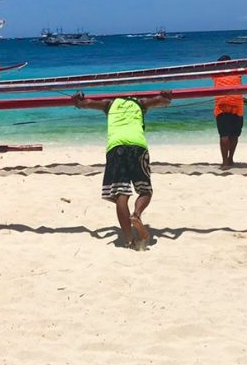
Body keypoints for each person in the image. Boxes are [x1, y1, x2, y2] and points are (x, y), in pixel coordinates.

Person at [72, 90, 173, 251]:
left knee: (121, 194)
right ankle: (137, 214)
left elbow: (85, 103)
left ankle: (128, 240)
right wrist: (166, 94)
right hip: (137, 146)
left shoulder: (109, 104)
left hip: (116, 147)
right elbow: (163, 100)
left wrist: (77, 98)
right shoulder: (140, 103)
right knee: (145, 191)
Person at [212, 55, 244, 170]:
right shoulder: (237, 71)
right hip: (236, 105)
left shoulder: (216, 72)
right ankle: (230, 159)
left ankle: (225, 162)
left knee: (224, 135)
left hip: (222, 105)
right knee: (234, 135)